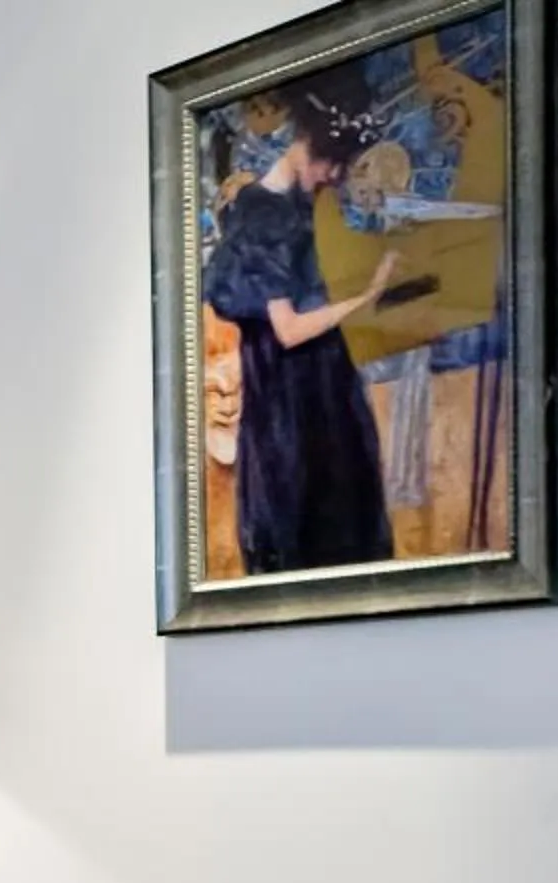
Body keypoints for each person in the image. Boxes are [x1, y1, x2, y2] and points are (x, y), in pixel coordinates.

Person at [202, 77, 402, 574]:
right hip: (297, 394)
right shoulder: (268, 213)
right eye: (333, 162)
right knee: (315, 516)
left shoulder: (292, 206)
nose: (334, 175)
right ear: (311, 146)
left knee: (337, 516)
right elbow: (288, 329)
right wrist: (367, 296)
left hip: (311, 388)